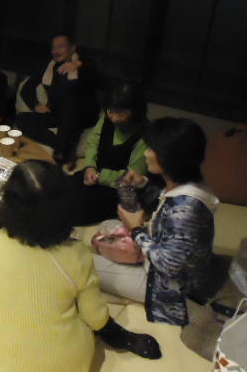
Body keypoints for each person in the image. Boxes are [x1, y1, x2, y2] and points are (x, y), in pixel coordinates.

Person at [0, 160, 161, 372]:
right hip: (70, 364)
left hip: (0, 366)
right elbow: (96, 318)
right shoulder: (77, 253)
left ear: (8, 203)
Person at [94, 118, 219, 326]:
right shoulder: (191, 183)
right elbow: (167, 204)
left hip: (171, 290)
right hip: (169, 258)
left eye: (151, 149)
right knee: (106, 225)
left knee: (84, 264)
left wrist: (136, 229)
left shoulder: (186, 209)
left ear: (169, 158)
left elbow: (168, 266)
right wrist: (143, 184)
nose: (146, 153)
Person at [68, 83, 149, 225]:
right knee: (61, 189)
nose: (115, 118)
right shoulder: (106, 118)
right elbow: (92, 143)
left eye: (122, 113)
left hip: (118, 189)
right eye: (111, 111)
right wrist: (89, 166)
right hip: (94, 173)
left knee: (76, 212)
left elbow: (133, 176)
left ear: (136, 111)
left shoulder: (144, 134)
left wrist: (101, 176)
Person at [16, 34, 99, 164]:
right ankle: (59, 144)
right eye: (53, 48)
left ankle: (61, 150)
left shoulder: (83, 66)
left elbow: (99, 78)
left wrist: (79, 64)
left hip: (81, 115)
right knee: (22, 118)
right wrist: (36, 105)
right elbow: (26, 89)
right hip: (57, 114)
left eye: (60, 47)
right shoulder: (49, 66)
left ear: (72, 48)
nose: (56, 51)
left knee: (71, 103)